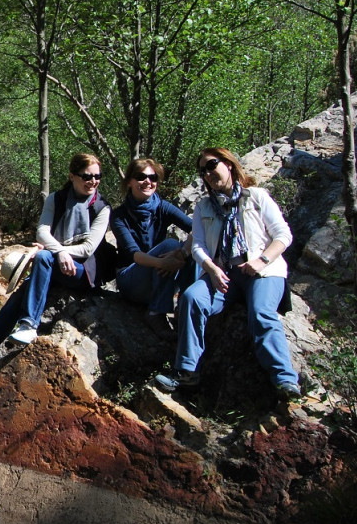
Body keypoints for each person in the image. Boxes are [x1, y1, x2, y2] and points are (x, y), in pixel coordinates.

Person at [154, 147, 301, 398]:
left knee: (262, 313)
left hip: (262, 271)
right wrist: (210, 269)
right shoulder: (204, 207)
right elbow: (198, 244)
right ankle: (187, 372)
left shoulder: (256, 196)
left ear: (229, 164)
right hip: (223, 274)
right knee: (191, 298)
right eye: (203, 171)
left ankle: (285, 380)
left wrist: (262, 260)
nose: (208, 173)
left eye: (212, 165)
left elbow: (283, 235)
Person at [0, 153, 111, 378]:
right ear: (72, 176)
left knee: (41, 261)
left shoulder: (102, 208)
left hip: (83, 272)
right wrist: (58, 252)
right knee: (33, 275)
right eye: (87, 176)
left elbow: (88, 249)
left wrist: (54, 251)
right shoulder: (56, 199)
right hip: (54, 265)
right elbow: (42, 231)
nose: (93, 181)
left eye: (97, 176)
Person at [110, 157, 194, 335]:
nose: (148, 181)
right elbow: (135, 254)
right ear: (130, 182)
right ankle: (156, 312)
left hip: (159, 275)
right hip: (131, 278)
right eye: (141, 177)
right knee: (170, 245)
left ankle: (184, 309)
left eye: (153, 178)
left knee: (192, 250)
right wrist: (164, 263)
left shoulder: (163, 207)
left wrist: (183, 253)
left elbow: (198, 231)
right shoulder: (119, 215)